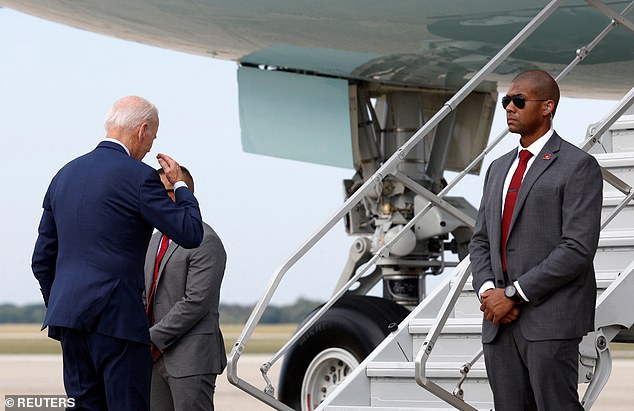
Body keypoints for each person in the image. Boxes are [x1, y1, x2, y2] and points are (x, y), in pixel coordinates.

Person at [31, 96, 204, 411]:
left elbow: (42, 259)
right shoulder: (140, 177)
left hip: (70, 320)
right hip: (118, 321)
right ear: (142, 130)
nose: (151, 147)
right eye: (153, 136)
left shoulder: (63, 175)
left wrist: (62, 303)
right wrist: (179, 185)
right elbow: (190, 233)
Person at [469, 70, 603, 411]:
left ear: (547, 107)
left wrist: (513, 294)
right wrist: (488, 293)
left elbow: (577, 248)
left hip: (550, 321)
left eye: (518, 101)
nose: (509, 108)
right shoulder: (497, 168)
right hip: (498, 322)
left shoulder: (578, 166)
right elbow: (481, 240)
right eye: (506, 102)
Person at [145, 166, 227, 411]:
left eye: (165, 192)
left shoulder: (205, 240)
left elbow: (196, 301)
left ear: (182, 194)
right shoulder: (153, 240)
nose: (157, 199)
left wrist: (151, 338)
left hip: (190, 358)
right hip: (150, 358)